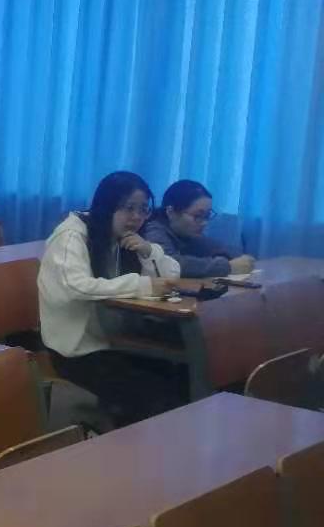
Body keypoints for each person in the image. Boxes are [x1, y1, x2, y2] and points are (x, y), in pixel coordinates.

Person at [38, 171, 188, 428]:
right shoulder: (72, 236)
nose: (136, 217)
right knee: (152, 396)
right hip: (76, 349)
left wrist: (148, 251)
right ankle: (122, 444)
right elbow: (77, 286)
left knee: (179, 373)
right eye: (129, 208)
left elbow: (171, 275)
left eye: (143, 209)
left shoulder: (123, 238)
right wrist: (140, 285)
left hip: (117, 340)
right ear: (107, 206)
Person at [141, 180, 254, 279]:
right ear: (171, 212)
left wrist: (239, 260)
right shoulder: (153, 230)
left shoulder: (187, 233)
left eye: (207, 216)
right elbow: (172, 265)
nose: (204, 223)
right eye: (197, 216)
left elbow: (217, 249)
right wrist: (227, 267)